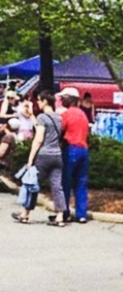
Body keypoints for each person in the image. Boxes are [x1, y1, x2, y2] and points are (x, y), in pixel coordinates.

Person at [20, 91, 67, 226]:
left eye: (39, 101)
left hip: (44, 155)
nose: (38, 103)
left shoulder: (42, 117)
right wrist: (32, 117)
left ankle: (25, 213)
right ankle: (60, 216)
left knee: (33, 184)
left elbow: (39, 138)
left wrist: (30, 159)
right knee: (57, 186)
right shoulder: (58, 117)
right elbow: (45, 128)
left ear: (45, 101)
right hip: (57, 155)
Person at [59, 87, 91, 224]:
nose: (61, 100)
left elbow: (61, 130)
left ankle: (65, 212)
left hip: (71, 149)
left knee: (65, 182)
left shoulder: (66, 114)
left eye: (63, 98)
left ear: (69, 99)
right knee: (81, 183)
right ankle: (81, 214)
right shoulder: (83, 114)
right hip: (84, 149)